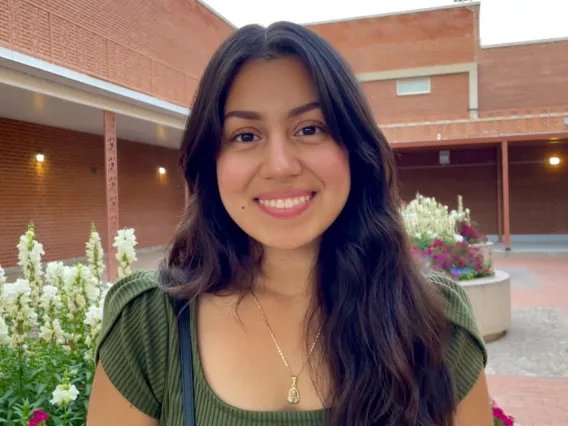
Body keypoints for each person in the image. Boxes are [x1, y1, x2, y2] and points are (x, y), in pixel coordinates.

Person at [87, 21, 493, 426]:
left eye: (310, 129)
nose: (281, 166)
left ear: (354, 148)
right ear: (211, 161)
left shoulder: (434, 321)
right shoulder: (150, 324)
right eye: (245, 136)